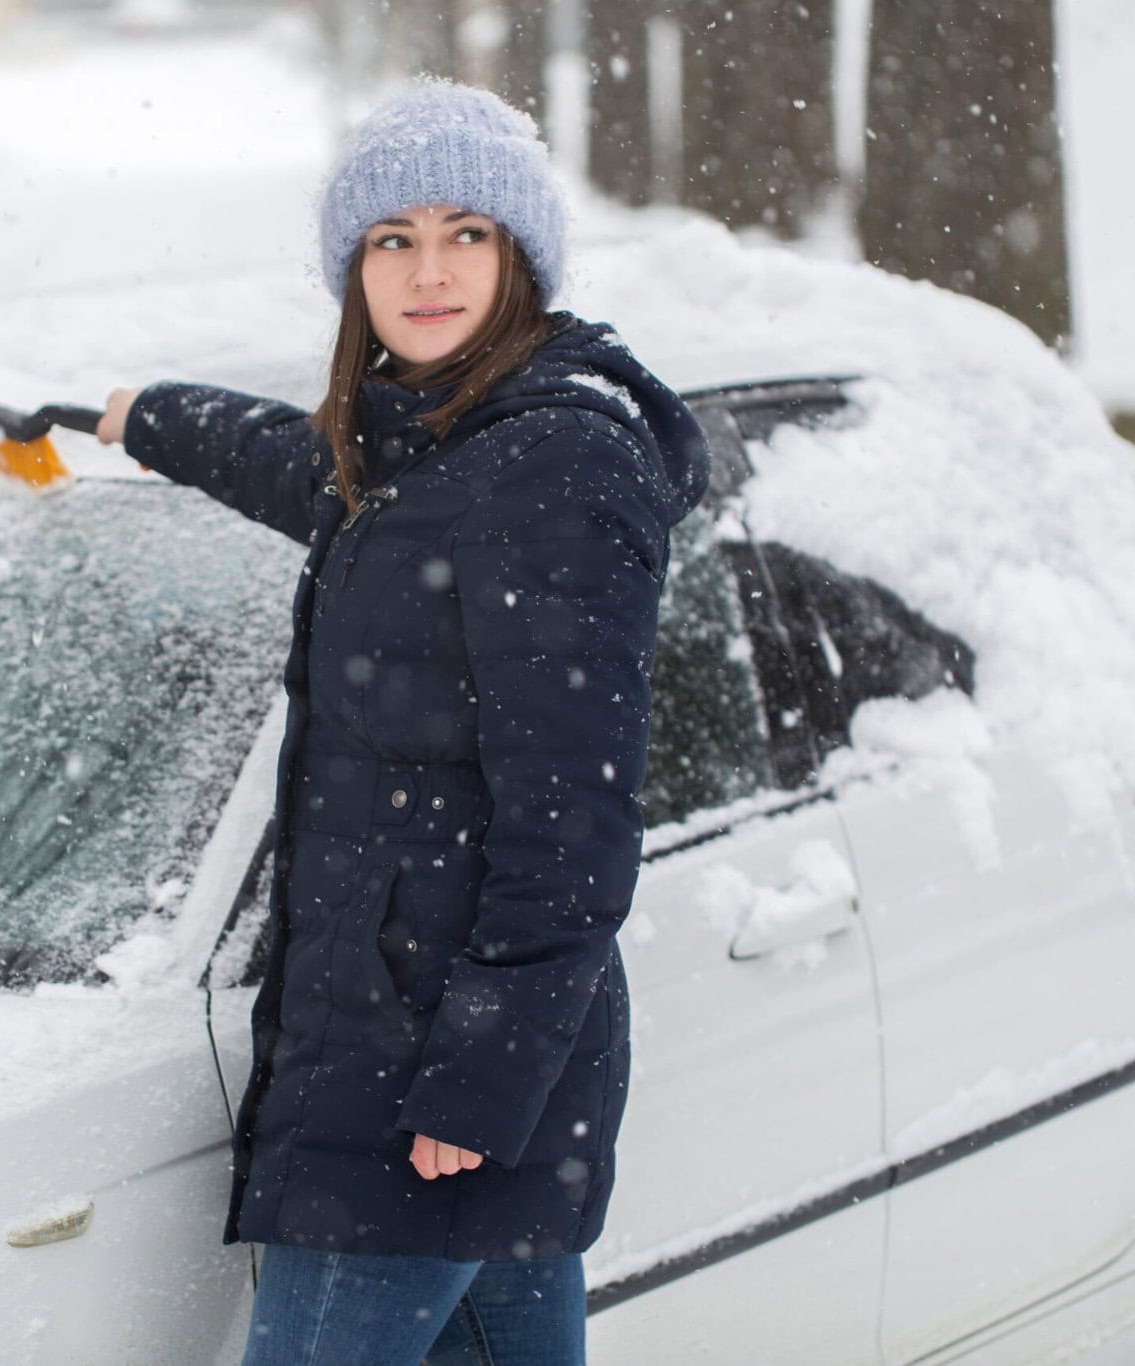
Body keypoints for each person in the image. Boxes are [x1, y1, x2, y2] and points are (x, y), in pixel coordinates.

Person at [94, 79, 709, 1366]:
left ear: (519, 254)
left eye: (464, 233)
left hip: (424, 1084)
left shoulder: (549, 464)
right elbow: (309, 468)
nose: (427, 271)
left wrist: (478, 1086)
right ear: (354, 267)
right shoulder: (433, 437)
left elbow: (574, 815)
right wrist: (144, 417)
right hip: (410, 1055)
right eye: (392, 240)